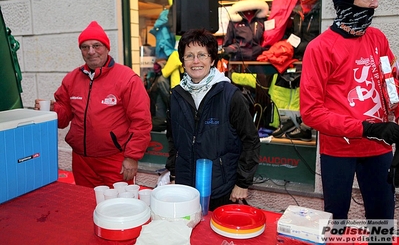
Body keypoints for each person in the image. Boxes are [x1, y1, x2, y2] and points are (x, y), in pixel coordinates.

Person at [300, 0, 398, 231]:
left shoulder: (377, 38)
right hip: (339, 150)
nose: (374, 3)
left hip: (379, 148)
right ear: (345, 2)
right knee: (337, 223)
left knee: (383, 222)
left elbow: (392, 87)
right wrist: (367, 128)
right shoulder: (319, 47)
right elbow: (311, 113)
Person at [34, 21, 152, 188]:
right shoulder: (71, 79)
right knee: (86, 206)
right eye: (85, 47)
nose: (91, 52)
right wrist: (52, 111)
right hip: (82, 161)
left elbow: (141, 122)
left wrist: (132, 157)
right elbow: (63, 118)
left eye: (96, 45)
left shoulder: (127, 79)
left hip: (115, 160)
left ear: (106, 48)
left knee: (118, 208)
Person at [165, 29, 260, 211]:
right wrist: (174, 174)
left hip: (222, 189)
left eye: (202, 55)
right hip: (185, 188)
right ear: (182, 61)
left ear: (212, 59)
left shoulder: (230, 95)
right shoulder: (176, 95)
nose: (196, 61)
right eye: (189, 56)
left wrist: (243, 183)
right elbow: (173, 140)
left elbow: (251, 141)